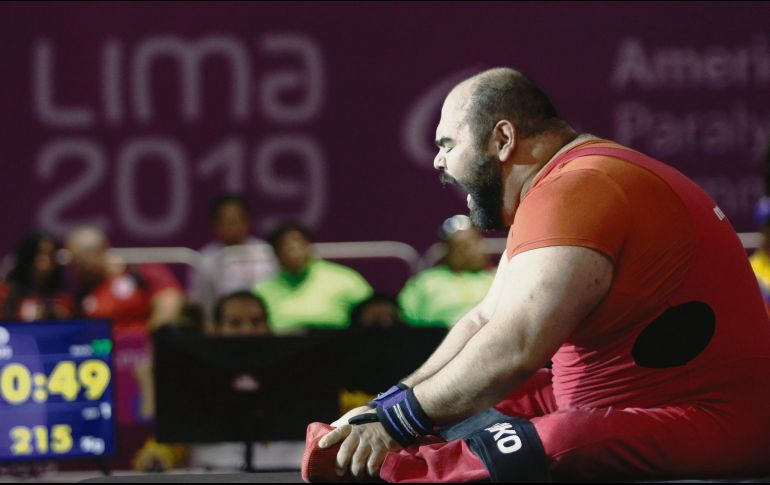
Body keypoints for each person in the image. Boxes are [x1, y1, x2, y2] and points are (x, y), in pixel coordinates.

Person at [312, 68, 770, 482]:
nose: (437, 161)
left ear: (502, 139)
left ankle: (387, 470)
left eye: (447, 144)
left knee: (561, 438)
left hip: (711, 420)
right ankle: (367, 451)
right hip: (614, 401)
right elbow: (484, 321)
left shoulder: (578, 188)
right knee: (454, 402)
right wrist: (386, 406)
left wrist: (397, 425)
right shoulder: (563, 183)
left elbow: (514, 349)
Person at [254, 222, 373, 334]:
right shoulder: (261, 290)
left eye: (298, 243)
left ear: (309, 246)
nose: (293, 251)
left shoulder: (345, 279)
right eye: (284, 245)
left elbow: (373, 313)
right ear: (275, 252)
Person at [65, 226, 185, 331]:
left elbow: (170, 302)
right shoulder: (81, 295)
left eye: (82, 261)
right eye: (74, 262)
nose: (78, 269)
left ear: (102, 250)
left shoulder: (141, 272)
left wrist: (147, 342)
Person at [398, 215, 494, 327]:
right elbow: (406, 318)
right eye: (462, 247)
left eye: (475, 244)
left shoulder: (499, 277)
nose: (470, 252)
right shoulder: (425, 282)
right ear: (448, 252)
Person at [188, 194, 278, 312]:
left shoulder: (265, 252)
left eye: (236, 220)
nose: (232, 226)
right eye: (226, 221)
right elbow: (202, 301)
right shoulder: (206, 259)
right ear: (215, 225)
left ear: (247, 221)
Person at [0, 230, 74, 321]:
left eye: (51, 256)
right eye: (40, 255)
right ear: (28, 257)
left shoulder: (63, 298)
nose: (47, 263)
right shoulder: (5, 293)